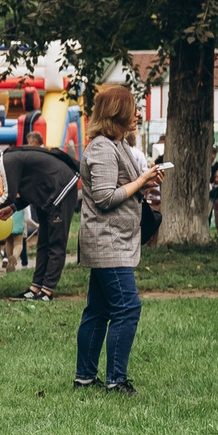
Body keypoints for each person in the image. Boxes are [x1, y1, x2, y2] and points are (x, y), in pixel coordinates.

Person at [75, 82, 156, 394]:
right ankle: (116, 380)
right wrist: (142, 181)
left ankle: (84, 378)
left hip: (116, 238)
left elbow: (124, 186)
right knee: (127, 307)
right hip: (107, 241)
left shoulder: (117, 144)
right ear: (117, 113)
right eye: (132, 108)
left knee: (98, 309)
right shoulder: (101, 149)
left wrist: (145, 182)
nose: (137, 113)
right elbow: (106, 197)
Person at [0, 142, 79, 301]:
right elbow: (24, 191)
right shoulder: (11, 158)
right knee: (43, 242)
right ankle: (36, 286)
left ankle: (47, 289)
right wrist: (13, 208)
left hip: (61, 189)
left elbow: (7, 196)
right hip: (45, 196)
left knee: (56, 242)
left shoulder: (7, 160)